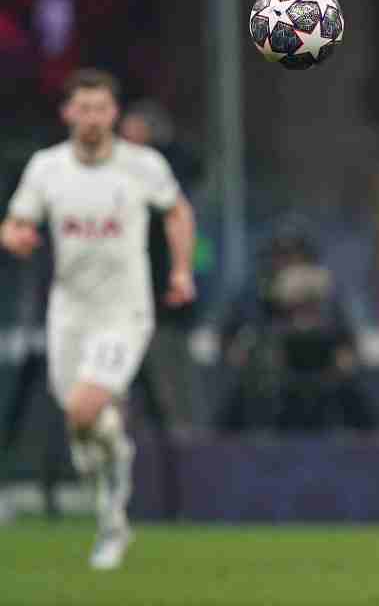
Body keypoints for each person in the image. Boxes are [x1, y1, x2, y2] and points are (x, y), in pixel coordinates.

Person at [0, 69, 197, 570]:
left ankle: (111, 514)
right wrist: (16, 237)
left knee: (85, 409)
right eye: (83, 108)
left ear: (114, 113)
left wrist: (180, 270)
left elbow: (176, 212)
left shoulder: (142, 166)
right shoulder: (47, 168)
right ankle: (113, 514)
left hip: (124, 311)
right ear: (68, 113)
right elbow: (16, 223)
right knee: (87, 429)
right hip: (69, 312)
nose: (92, 118)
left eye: (101, 108)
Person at [215, 219, 376, 433]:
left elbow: (347, 339)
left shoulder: (327, 291)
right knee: (244, 398)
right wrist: (237, 353)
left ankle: (371, 444)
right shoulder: (256, 292)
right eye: (282, 254)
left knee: (351, 396)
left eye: (295, 254)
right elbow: (229, 335)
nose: (288, 261)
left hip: (321, 368)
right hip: (271, 370)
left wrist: (345, 356)